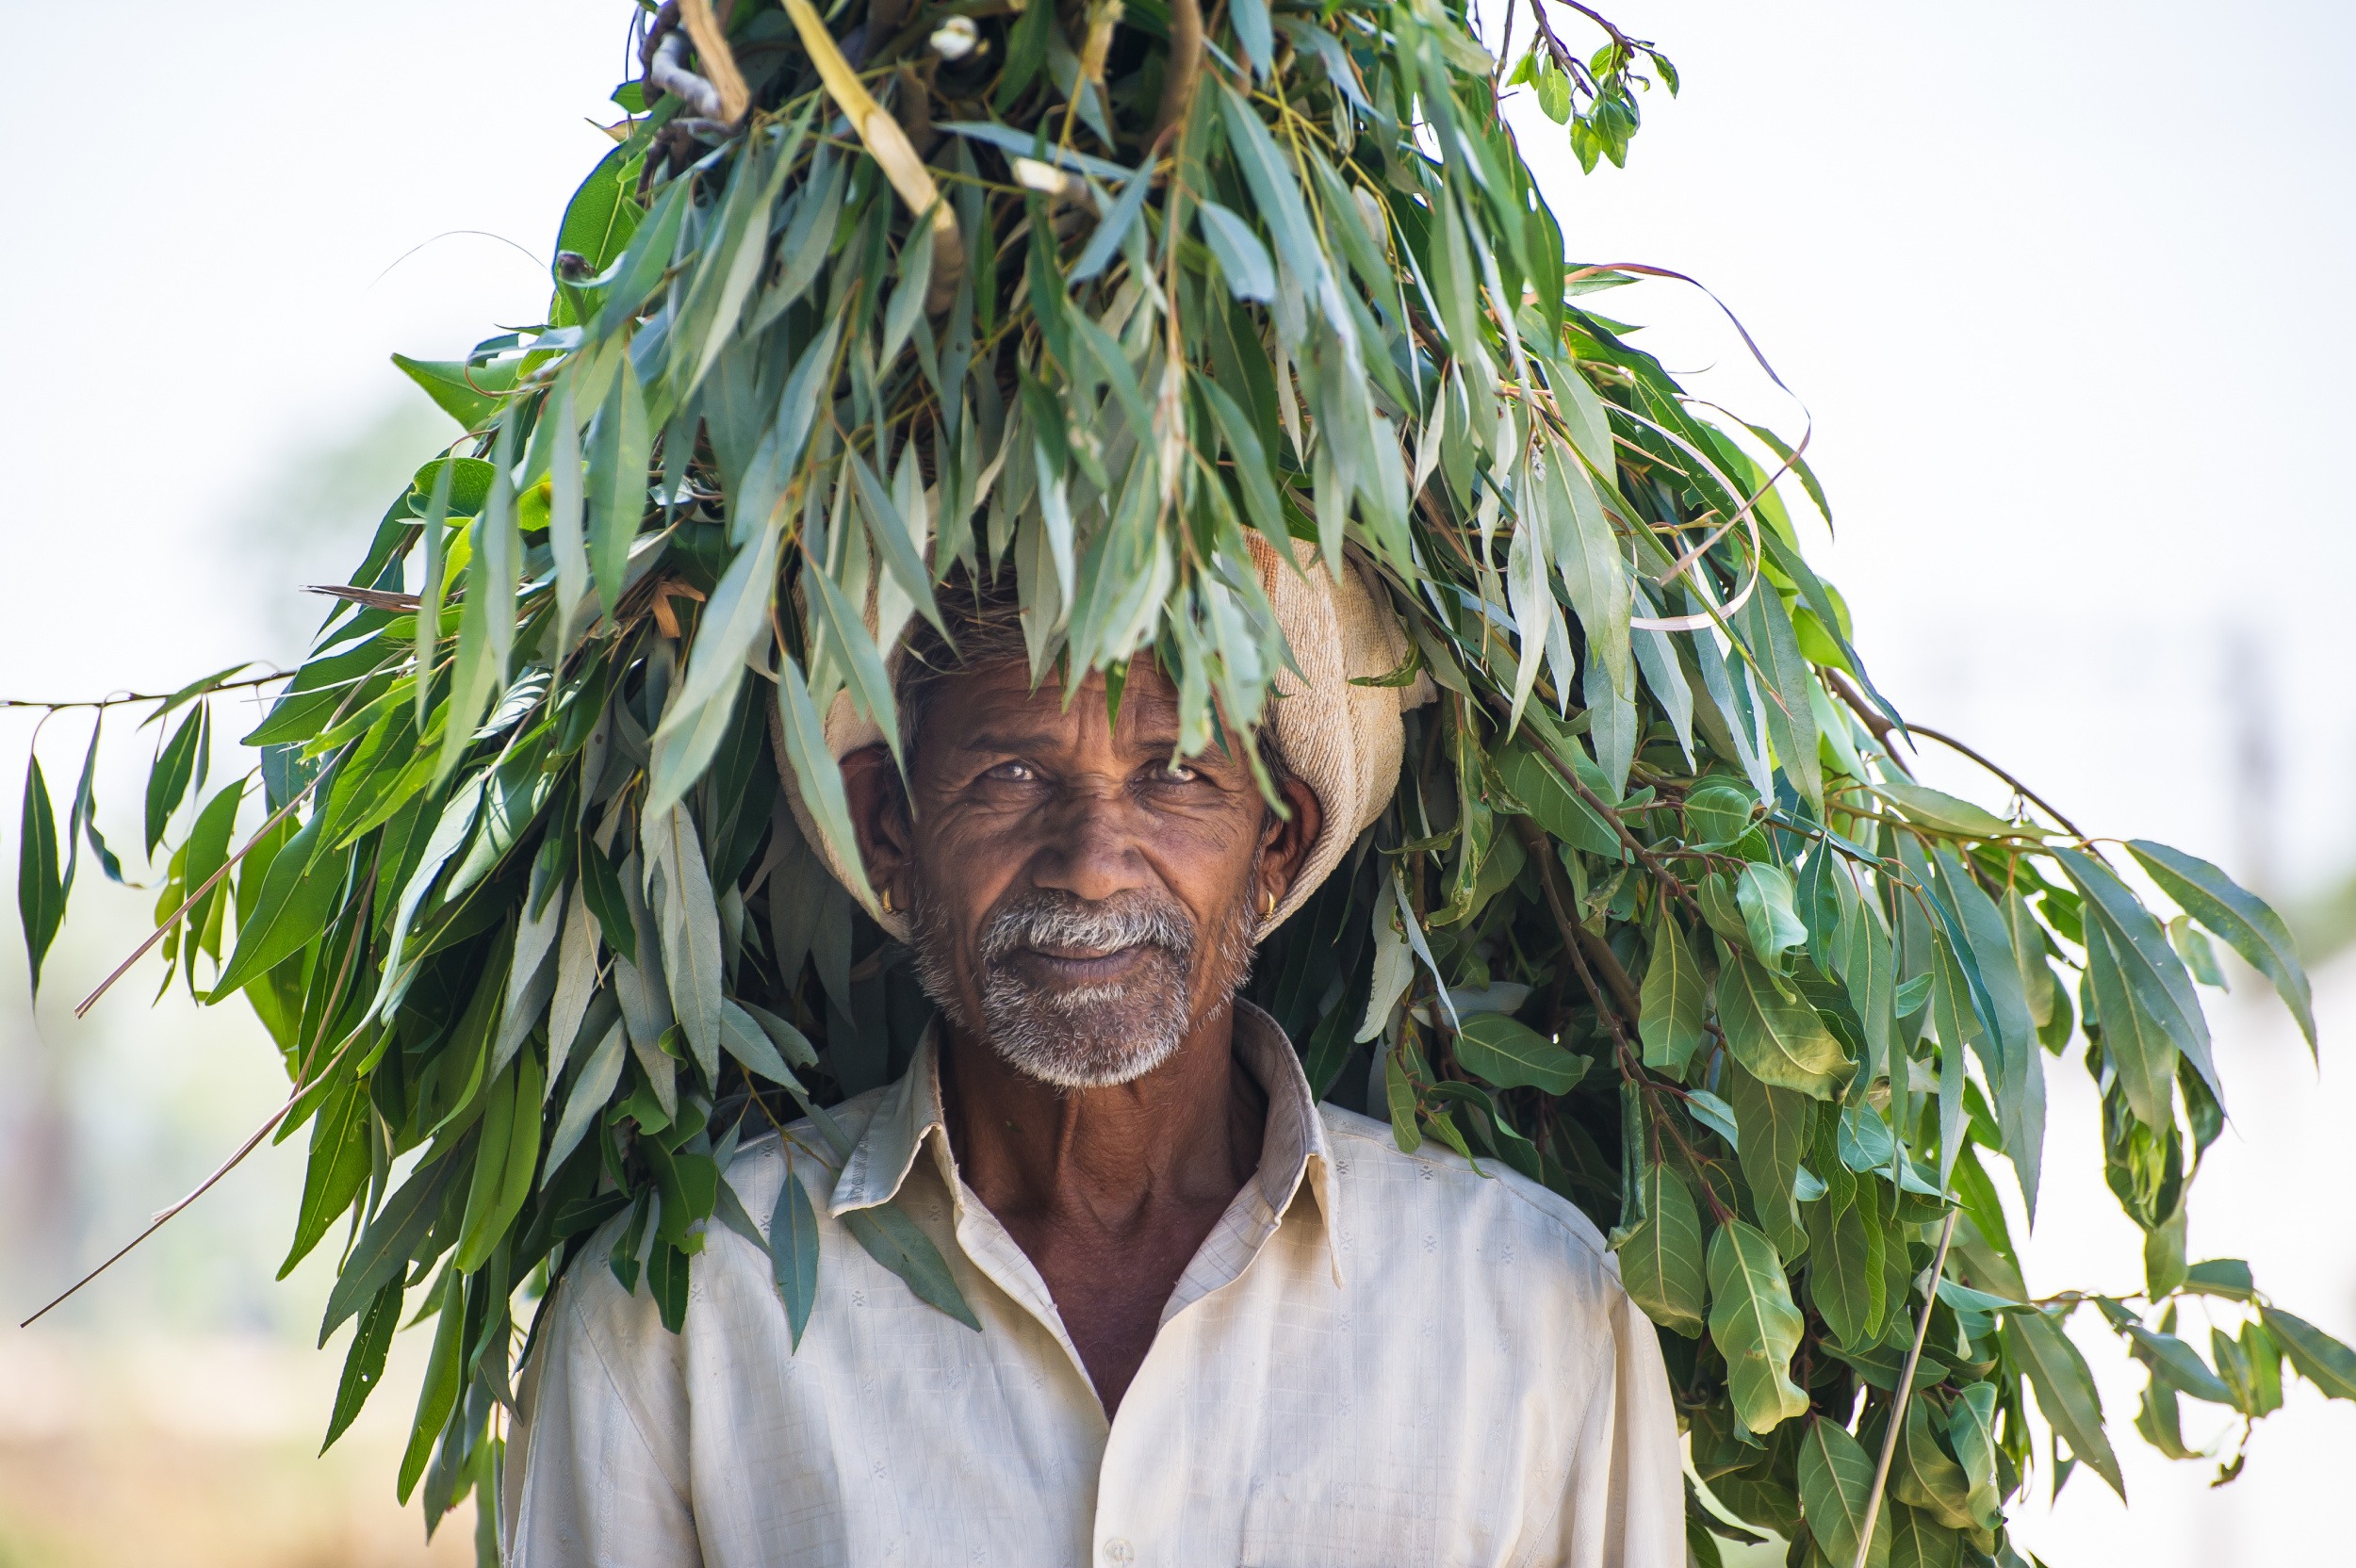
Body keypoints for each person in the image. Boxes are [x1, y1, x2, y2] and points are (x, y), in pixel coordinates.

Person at [503, 550, 1682, 1567]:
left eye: (1175, 773)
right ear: (889, 829)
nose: (1092, 861)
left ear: (1274, 846)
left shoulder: (1534, 1313)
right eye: (1011, 774)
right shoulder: (681, 1318)